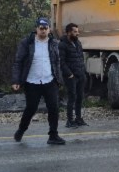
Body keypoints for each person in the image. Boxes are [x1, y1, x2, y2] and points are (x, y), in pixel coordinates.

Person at [11, 17, 65, 145]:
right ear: (36, 29)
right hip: (32, 81)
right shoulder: (27, 42)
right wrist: (16, 80)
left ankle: (53, 135)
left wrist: (60, 79)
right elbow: (18, 62)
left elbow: (58, 62)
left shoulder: (54, 43)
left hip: (49, 80)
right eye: (41, 28)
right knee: (31, 108)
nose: (43, 31)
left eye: (46, 28)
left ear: (49, 29)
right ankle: (21, 130)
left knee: (54, 108)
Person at [59, 22, 87, 128]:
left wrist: (83, 71)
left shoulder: (78, 43)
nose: (77, 33)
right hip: (71, 76)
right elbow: (61, 62)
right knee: (72, 97)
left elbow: (81, 58)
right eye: (75, 32)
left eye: (77, 31)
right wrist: (69, 74)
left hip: (80, 74)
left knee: (80, 97)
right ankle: (69, 120)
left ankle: (78, 119)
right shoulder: (62, 44)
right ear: (69, 32)